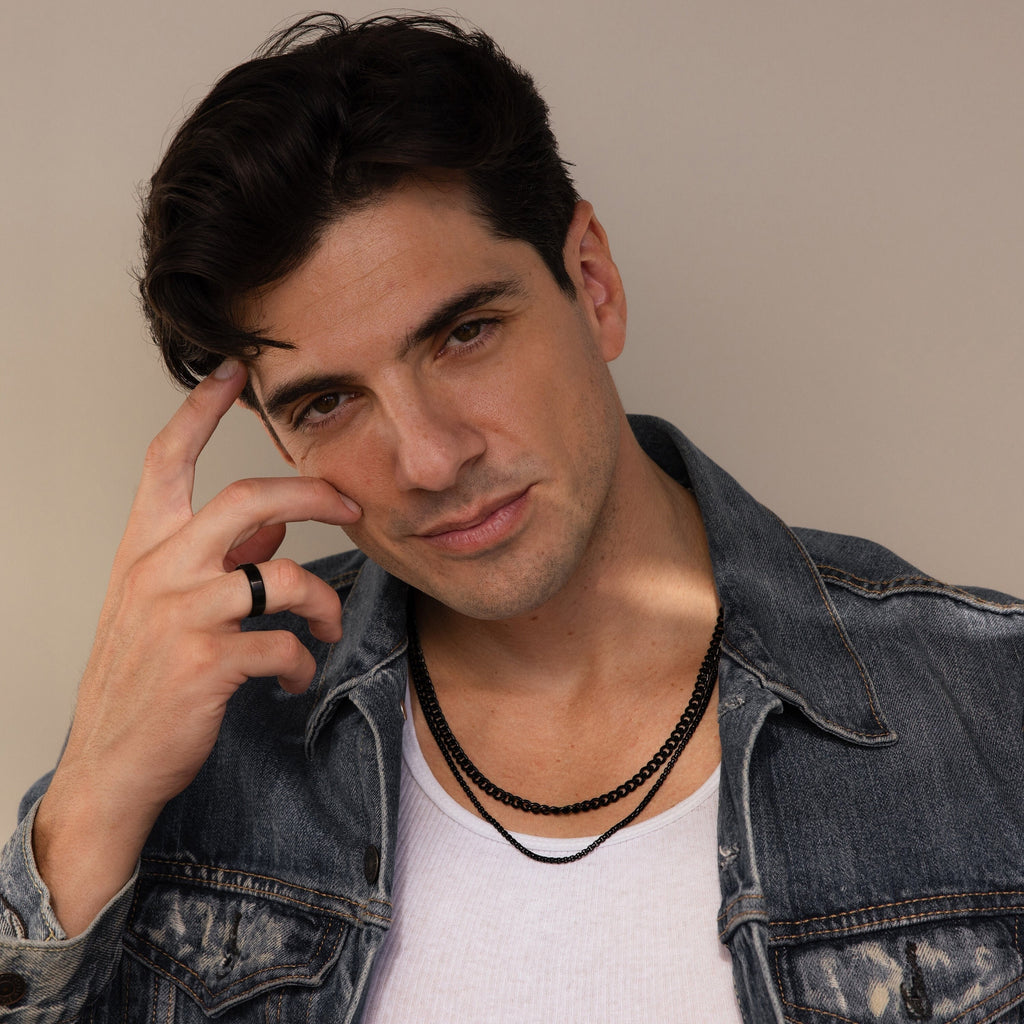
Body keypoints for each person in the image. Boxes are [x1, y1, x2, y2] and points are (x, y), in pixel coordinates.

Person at [1, 12, 1023, 1024]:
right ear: (276, 437)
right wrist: (91, 794)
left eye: (465, 334)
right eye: (327, 402)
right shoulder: (202, 738)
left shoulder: (988, 703)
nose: (430, 459)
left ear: (593, 281)